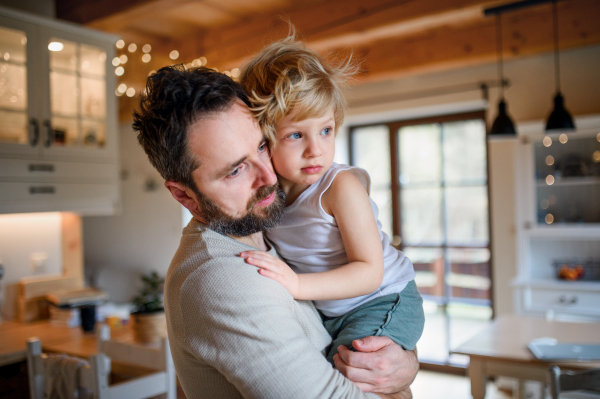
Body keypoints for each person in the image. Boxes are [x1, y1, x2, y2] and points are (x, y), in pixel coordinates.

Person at [133, 65, 418, 399]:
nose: (268, 176)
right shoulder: (222, 280)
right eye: (235, 170)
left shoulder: (265, 227)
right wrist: (403, 383)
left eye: (262, 146)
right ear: (184, 195)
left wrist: (403, 362)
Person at [238, 38, 425, 364]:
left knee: (352, 375)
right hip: (334, 311)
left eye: (326, 130)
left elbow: (370, 272)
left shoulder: (340, 188)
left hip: (383, 299)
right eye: (296, 135)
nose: (316, 149)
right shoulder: (270, 198)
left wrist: (296, 284)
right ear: (264, 140)